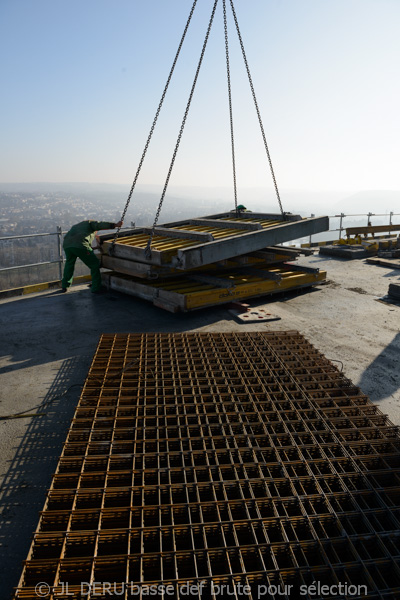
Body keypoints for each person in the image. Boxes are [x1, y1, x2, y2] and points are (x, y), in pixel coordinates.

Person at [61, 219, 123, 294]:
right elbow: (100, 225)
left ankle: (65, 285)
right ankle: (96, 288)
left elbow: (80, 239)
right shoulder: (90, 223)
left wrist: (90, 248)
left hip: (67, 245)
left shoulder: (77, 226)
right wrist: (115, 225)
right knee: (94, 264)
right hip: (80, 245)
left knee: (69, 264)